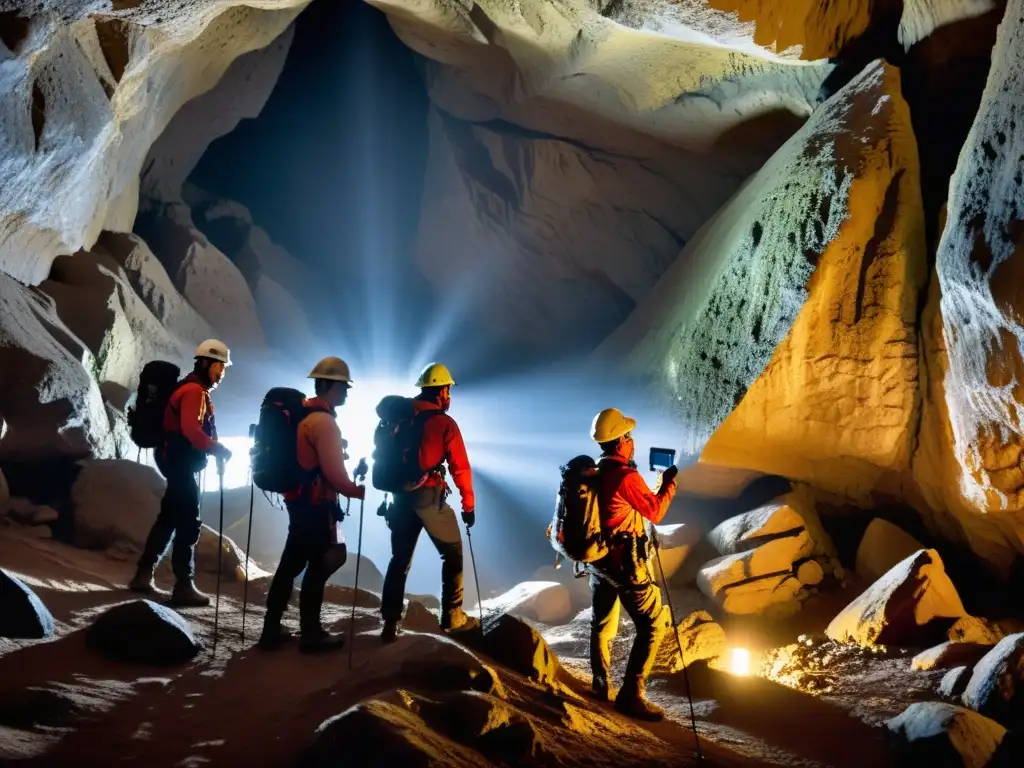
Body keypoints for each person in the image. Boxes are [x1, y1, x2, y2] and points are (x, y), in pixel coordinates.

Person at [258, 356, 366, 653]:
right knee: (325, 560)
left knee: (293, 563)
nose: (346, 391)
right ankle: (311, 632)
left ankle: (272, 627)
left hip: (301, 503)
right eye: (343, 386)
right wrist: (357, 491)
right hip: (318, 507)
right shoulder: (323, 423)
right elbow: (333, 474)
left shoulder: (308, 418)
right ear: (329, 385)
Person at [587, 407, 678, 721]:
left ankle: (600, 682)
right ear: (620, 440)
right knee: (653, 623)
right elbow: (655, 512)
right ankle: (631, 694)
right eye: (629, 436)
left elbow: (628, 506)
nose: (633, 441)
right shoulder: (625, 475)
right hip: (625, 564)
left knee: (602, 623)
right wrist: (669, 484)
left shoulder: (595, 473)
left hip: (599, 562)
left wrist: (648, 491)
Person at [379, 362, 479, 643]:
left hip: (398, 498)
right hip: (429, 498)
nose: (449, 397)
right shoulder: (443, 423)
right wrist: (468, 506)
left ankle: (389, 620)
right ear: (441, 391)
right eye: (448, 390)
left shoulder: (397, 418)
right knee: (452, 553)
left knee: (399, 559)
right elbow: (461, 468)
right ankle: (452, 616)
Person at [129, 340, 234, 607]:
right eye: (219, 367)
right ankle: (183, 586)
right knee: (188, 522)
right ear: (206, 364)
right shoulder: (194, 392)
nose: (222, 374)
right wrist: (217, 449)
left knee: (170, 518)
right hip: (178, 460)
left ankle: (143, 574)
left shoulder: (190, 389)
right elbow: (190, 429)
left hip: (173, 458)